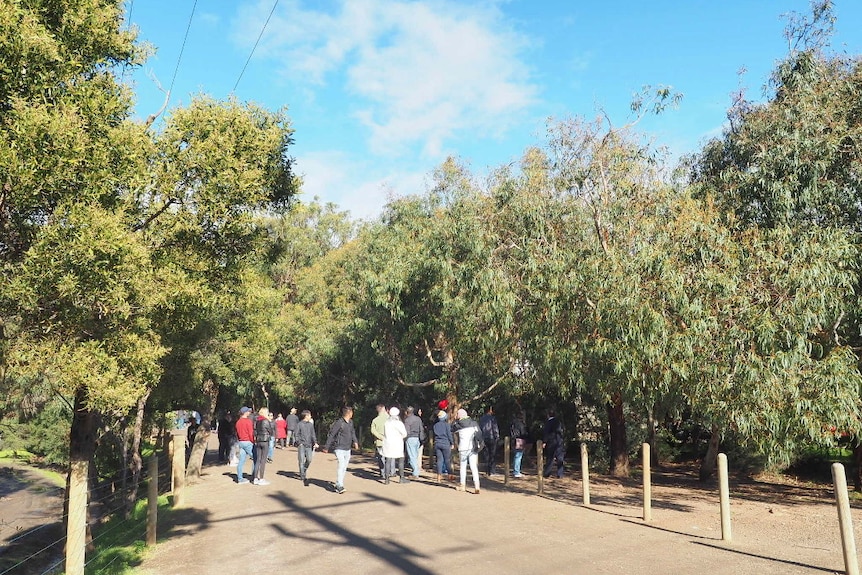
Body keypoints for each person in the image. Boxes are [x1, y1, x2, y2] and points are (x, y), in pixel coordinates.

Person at [323, 406, 359, 494]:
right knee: (341, 465)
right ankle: (339, 485)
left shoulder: (350, 422)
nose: (352, 414)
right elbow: (332, 434)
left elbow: (352, 432)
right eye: (352, 412)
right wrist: (326, 447)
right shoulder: (339, 423)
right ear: (349, 413)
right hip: (339, 448)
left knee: (344, 467)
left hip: (347, 448)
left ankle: (339, 483)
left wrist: (355, 442)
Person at [452, 408, 481, 494]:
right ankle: (477, 486)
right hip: (473, 447)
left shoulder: (457, 425)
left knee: (463, 467)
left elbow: (452, 430)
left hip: (463, 448)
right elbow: (479, 434)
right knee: (474, 467)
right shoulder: (474, 423)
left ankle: (462, 485)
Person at [382, 407, 409, 484]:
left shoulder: (386, 423)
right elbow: (405, 434)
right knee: (400, 460)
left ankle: (387, 479)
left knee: (388, 460)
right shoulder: (399, 423)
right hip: (397, 444)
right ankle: (401, 478)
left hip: (388, 443)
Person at [294, 409, 318, 486]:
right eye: (309, 415)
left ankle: (303, 469)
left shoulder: (310, 425)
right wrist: (299, 443)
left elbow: (313, 434)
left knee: (309, 459)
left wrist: (315, 442)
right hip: (302, 445)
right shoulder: (299, 424)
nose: (310, 416)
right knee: (301, 460)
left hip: (309, 445)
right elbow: (296, 434)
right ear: (306, 416)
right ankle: (302, 475)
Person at [253, 407, 274, 485]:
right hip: (265, 441)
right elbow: (270, 431)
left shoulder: (257, 421)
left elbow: (255, 430)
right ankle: (261, 479)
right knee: (263, 460)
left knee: (258, 460)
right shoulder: (266, 421)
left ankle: (255, 478)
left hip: (258, 440)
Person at [432, 410, 454, 483]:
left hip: (437, 443)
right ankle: (450, 475)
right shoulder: (447, 425)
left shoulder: (435, 425)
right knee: (447, 460)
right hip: (445, 443)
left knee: (439, 460)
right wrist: (452, 443)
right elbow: (449, 435)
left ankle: (439, 476)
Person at [542, 409, 565, 478]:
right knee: (559, 458)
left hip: (552, 442)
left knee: (550, 458)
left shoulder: (549, 422)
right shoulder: (558, 422)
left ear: (548, 415)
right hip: (559, 441)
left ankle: (547, 473)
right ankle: (560, 474)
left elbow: (546, 432)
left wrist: (544, 441)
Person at [234, 406, 255, 484]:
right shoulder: (248, 421)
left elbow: (237, 433)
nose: (249, 412)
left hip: (241, 442)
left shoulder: (238, 422)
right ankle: (254, 477)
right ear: (245, 412)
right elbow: (250, 433)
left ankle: (240, 478)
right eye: (248, 411)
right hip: (248, 441)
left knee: (241, 461)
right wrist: (253, 441)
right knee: (256, 458)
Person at [403, 406, 425, 478]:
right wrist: (421, 438)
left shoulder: (407, 420)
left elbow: (407, 431)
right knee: (415, 455)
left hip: (410, 438)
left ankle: (415, 472)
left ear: (407, 412)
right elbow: (421, 429)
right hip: (417, 438)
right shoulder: (418, 419)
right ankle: (415, 470)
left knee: (412, 456)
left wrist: (405, 439)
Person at [479, 405, 500, 476]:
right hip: (492, 437)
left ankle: (487, 470)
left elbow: (480, 428)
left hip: (484, 438)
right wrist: (497, 436)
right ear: (489, 410)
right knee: (492, 454)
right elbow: (494, 428)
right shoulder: (492, 418)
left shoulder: (481, 419)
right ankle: (492, 471)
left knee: (486, 454)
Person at [370, 403, 388, 477]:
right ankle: (389, 471)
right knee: (389, 457)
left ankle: (383, 472)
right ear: (383, 409)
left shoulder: (375, 420)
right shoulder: (389, 418)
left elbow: (372, 430)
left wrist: (380, 437)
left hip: (379, 441)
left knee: (381, 457)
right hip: (389, 441)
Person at [510, 411, 528, 478]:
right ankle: (516, 471)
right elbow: (523, 432)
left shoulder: (513, 423)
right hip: (519, 440)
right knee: (518, 455)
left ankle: (516, 470)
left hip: (514, 439)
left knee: (516, 455)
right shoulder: (520, 424)